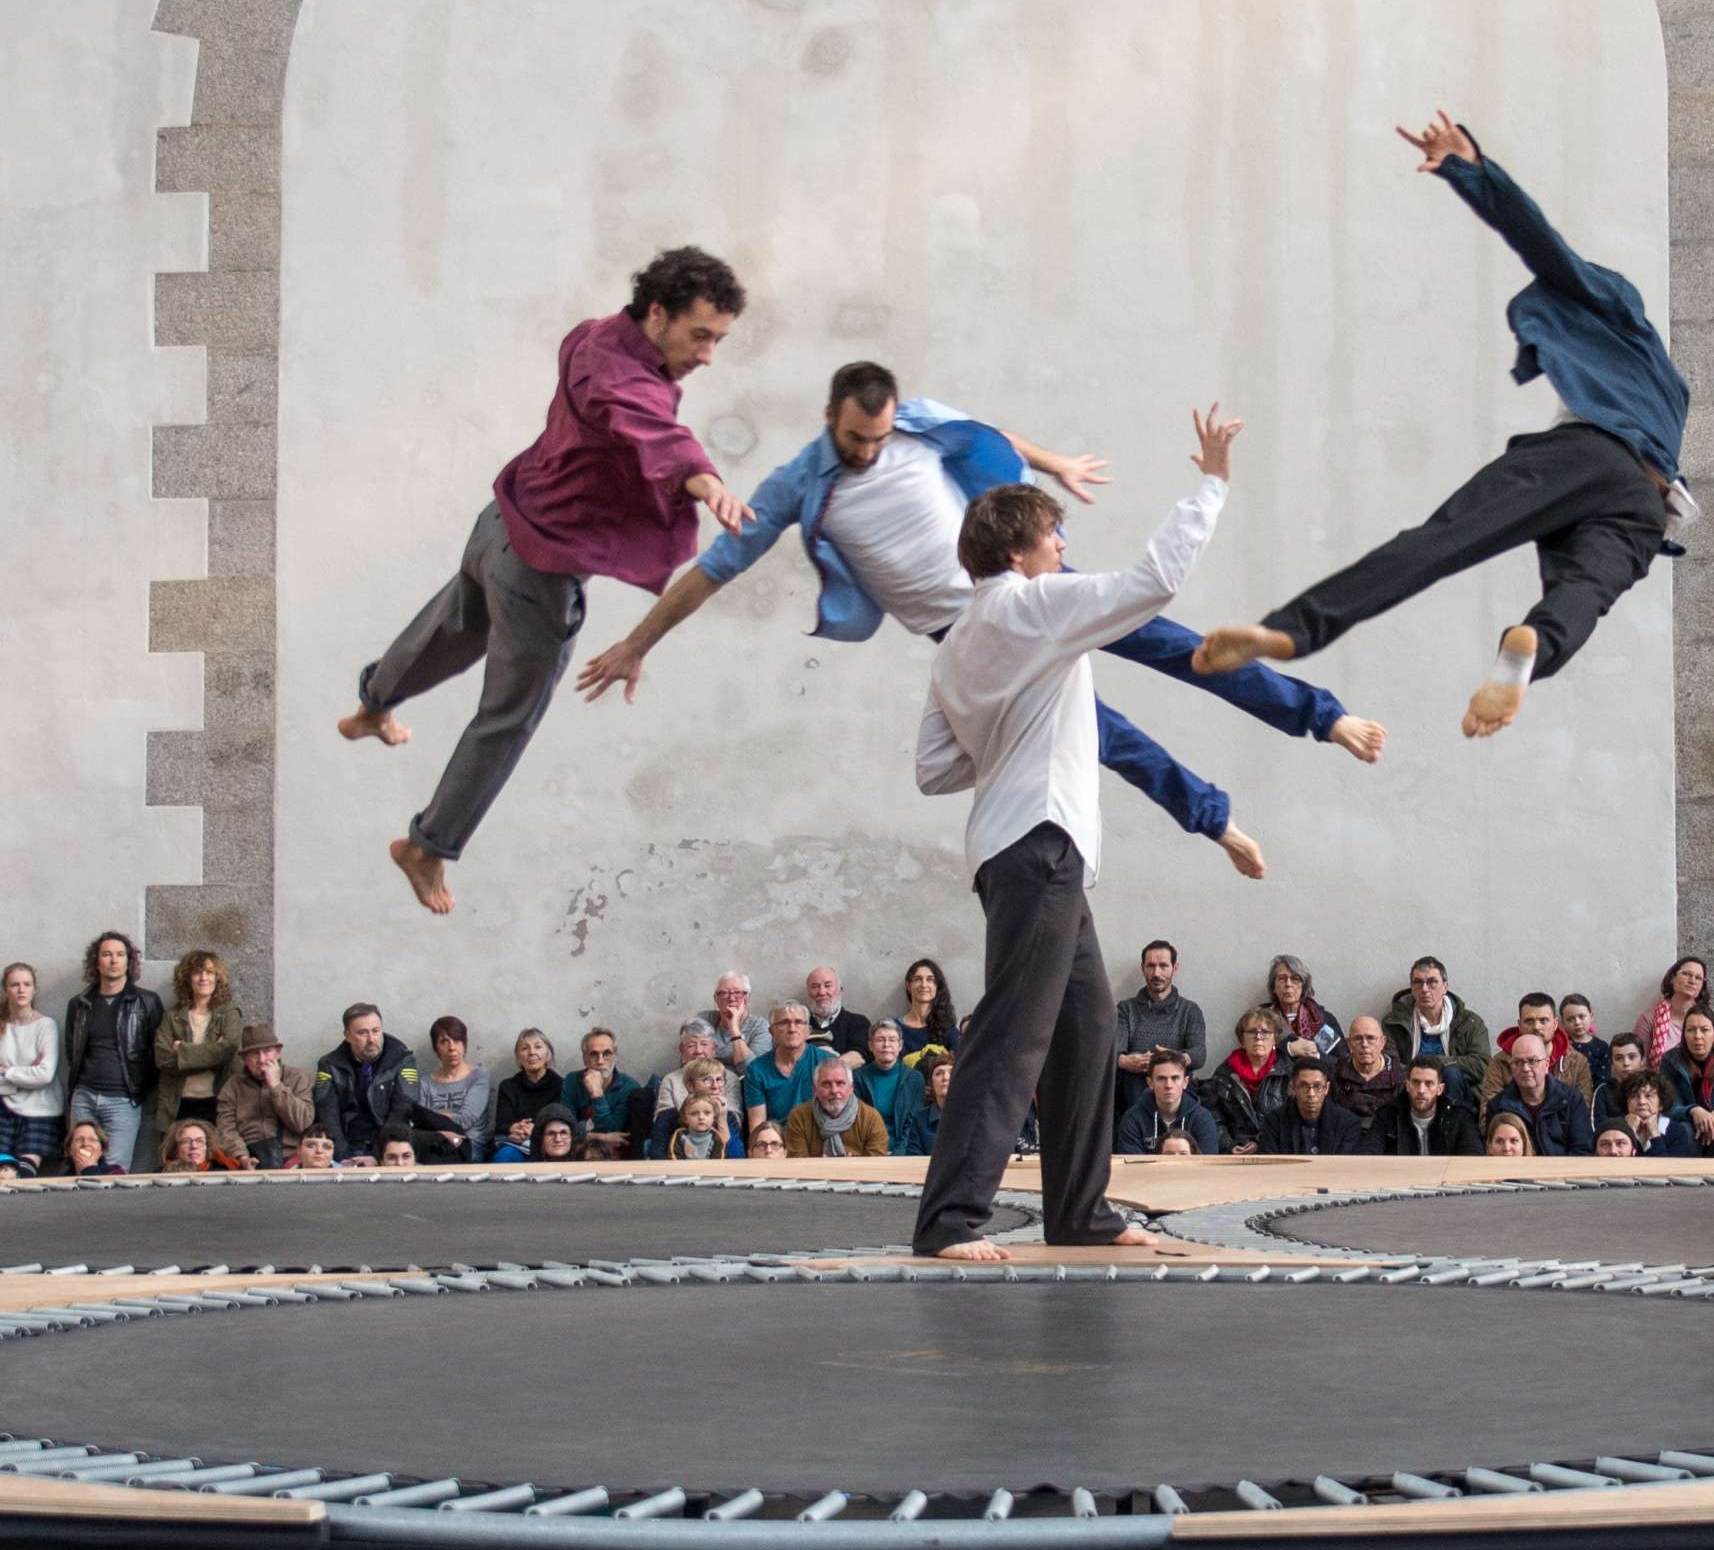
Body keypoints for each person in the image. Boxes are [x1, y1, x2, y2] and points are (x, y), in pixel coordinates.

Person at [579, 363, 1387, 887]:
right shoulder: (800, 484)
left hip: (1033, 591)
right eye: (857, 438)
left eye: (881, 433)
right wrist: (636, 642)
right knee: (1106, 738)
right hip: (975, 643)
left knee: (1189, 649)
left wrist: (1054, 467)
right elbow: (718, 569)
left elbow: (990, 436)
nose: (871, 448)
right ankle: (1220, 824)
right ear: (830, 419)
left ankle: (1325, 716)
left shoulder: (918, 421)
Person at [1197, 111, 1699, 742]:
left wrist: (1470, 170)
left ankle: (1293, 629)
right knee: (1584, 593)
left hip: (1587, 454)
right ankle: (1533, 648)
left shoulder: (1621, 311)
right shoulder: (1671, 391)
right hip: (1648, 507)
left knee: (1441, 541)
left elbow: (1546, 247)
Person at [910, 407, 1245, 1261]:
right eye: (1056, 534)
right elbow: (1151, 584)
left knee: (1090, 1023)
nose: (1064, 546)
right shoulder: (1037, 605)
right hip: (1043, 845)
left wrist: (1012, 726)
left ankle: (1082, 1213)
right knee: (1013, 1032)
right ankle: (951, 1220)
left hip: (1015, 847)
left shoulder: (956, 644)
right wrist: (1210, 483)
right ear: (1022, 552)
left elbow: (936, 769)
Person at [340, 247, 752, 913]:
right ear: (656, 314)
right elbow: (649, 424)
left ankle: (371, 707)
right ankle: (427, 848)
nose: (708, 356)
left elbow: (632, 411)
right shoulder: (626, 379)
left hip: (500, 524)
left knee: (448, 628)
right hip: (540, 570)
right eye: (700, 335)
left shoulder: (593, 336)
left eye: (719, 340)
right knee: (508, 718)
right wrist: (706, 482)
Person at [63, 930, 165, 1173]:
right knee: (80, 1165)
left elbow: (157, 1053)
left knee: (115, 1171)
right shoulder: (79, 1004)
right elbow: (73, 1051)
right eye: (107, 954)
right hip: (84, 1096)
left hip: (123, 1100)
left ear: (128, 961)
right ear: (96, 961)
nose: (113, 960)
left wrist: (138, 1090)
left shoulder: (147, 1001)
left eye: (120, 954)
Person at [153, 949, 243, 1149]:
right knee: (175, 1163)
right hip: (176, 1103)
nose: (204, 978)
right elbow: (162, 1059)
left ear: (217, 978)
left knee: (212, 1161)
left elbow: (227, 1051)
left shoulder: (228, 1013)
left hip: (215, 1102)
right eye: (198, 972)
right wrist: (211, 1054)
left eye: (210, 973)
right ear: (187, 978)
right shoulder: (172, 1016)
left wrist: (182, 1050)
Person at [313, 1003, 421, 1166]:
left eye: (376, 1031)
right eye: (362, 1033)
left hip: (388, 1152)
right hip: (345, 1147)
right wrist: (343, 1158)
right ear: (347, 1036)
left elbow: (402, 1111)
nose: (371, 1039)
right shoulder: (329, 1064)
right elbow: (327, 1114)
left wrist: (379, 1157)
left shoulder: (402, 1059)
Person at [1380, 957, 1491, 1107]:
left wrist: (1435, 1064)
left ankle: (1450, 1127)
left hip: (1456, 1091)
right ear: (1412, 988)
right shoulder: (1394, 1022)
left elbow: (1482, 1064)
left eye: (1432, 982)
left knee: (1452, 1074)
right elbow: (1390, 1064)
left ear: (1445, 986)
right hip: (1411, 1089)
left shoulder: (1469, 1022)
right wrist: (1421, 1077)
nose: (1424, 989)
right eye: (1418, 982)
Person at [1114, 940, 1208, 1118]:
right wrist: (1128, 1062)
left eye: (1163, 966)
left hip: (1176, 1091)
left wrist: (1171, 1059)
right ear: (1143, 968)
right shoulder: (1126, 1009)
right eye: (1151, 966)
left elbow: (1199, 1054)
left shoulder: (1190, 1010)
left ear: (1175, 968)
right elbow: (1113, 1053)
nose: (1156, 973)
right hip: (1133, 1091)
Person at [214, 1024, 316, 1170]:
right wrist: (242, 1157)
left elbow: (302, 1123)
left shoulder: (297, 1077)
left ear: (278, 1052)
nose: (262, 1060)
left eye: (267, 1051)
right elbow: (226, 1130)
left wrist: (276, 1086)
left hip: (292, 1158)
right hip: (249, 1157)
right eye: (254, 1054)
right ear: (244, 1058)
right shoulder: (232, 1087)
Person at [1481, 994, 1594, 1122]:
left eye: (1543, 1020)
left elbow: (1582, 1115)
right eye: (1529, 1021)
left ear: (1555, 1023)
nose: (1536, 1027)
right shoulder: (1500, 1062)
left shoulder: (1578, 1062)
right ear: (1519, 1024)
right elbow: (1488, 1114)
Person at [1199, 1008, 1291, 1154]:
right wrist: (1228, 1145)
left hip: (1274, 1150)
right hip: (1233, 1153)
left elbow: (1290, 1119)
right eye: (1252, 1032)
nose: (1258, 1037)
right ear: (1242, 1039)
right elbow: (1214, 1117)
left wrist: (1260, 1142)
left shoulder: (1289, 1073)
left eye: (1265, 1032)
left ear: (1275, 1039)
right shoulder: (1224, 1073)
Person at [1658, 1007, 1714, 1157]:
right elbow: (1668, 1106)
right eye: (1691, 1030)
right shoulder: (1671, 1060)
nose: (1697, 1036)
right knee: (1685, 1132)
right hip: (1686, 1121)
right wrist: (1693, 1111)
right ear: (1684, 1035)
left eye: (1704, 1030)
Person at [0, 963, 62, 1177]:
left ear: (34, 989)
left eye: (27, 984)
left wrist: (7, 1073)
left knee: (24, 1172)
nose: (21, 989)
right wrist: (27, 1074)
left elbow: (44, 1075)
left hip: (41, 1109)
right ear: (5, 989)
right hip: (4, 1107)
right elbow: (35, 1075)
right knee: (3, 1170)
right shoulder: (2, 1026)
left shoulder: (46, 1026)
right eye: (14, 984)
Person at [1485, 1034, 1594, 1155]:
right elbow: (1494, 1153)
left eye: (1532, 1061)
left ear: (1546, 1064)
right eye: (1518, 1062)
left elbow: (1582, 1151)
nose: (1525, 1068)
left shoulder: (1571, 1100)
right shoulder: (1498, 1106)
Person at [742, 1004, 837, 1135]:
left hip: (819, 1138)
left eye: (798, 1022)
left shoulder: (829, 1063)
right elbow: (758, 1126)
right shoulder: (756, 1069)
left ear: (809, 1030)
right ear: (772, 1031)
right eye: (784, 1023)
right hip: (778, 1142)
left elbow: (838, 1114)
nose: (792, 1029)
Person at [1365, 1057, 1486, 1157]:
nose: (1421, 1090)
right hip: (1400, 1182)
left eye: (1429, 1084)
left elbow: (1472, 1159)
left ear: (1440, 1089)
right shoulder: (1387, 1115)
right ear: (1407, 1085)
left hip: (1445, 1184)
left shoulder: (1460, 1116)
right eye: (1416, 1082)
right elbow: (1368, 1157)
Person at [414, 1015, 492, 1163]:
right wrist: (441, 1131)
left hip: (470, 1144)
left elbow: (466, 1119)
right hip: (436, 1142)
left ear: (464, 1045)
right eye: (444, 1041)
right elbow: (420, 1122)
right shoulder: (425, 1083)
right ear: (436, 1048)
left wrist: (433, 1116)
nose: (452, 1048)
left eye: (457, 1040)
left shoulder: (478, 1077)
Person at [561, 1028, 648, 1156]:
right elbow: (566, 1131)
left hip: (612, 1156)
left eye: (606, 1054)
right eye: (594, 1054)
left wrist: (597, 1094)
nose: (600, 1061)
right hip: (576, 1153)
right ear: (585, 1058)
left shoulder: (629, 1087)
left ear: (615, 1057)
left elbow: (611, 1130)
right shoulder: (572, 1081)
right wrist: (602, 1137)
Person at [1116, 1049, 1221, 1154]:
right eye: (1161, 1078)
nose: (1168, 1085)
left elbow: (1206, 1164)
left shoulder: (1202, 1118)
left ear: (1185, 1082)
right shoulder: (1133, 1119)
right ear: (1150, 1083)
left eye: (1175, 1078)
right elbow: (1132, 1167)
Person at [783, 1057, 890, 1157]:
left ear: (851, 1088)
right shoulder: (799, 1117)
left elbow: (876, 1167)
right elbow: (798, 1166)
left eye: (840, 1083)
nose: (834, 1091)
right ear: (815, 1089)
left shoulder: (871, 1118)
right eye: (826, 1084)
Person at [1262, 955, 1344, 1084]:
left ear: (1304, 985)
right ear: (1273, 986)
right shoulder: (1262, 1019)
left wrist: (1315, 1056)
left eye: (1295, 979)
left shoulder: (1321, 1021)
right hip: (1274, 1091)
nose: (1288, 984)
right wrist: (1289, 1049)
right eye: (1282, 978)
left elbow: (1342, 1062)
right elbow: (1252, 1056)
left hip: (1316, 1092)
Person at [1255, 1058, 1364, 1155]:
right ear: (1293, 1087)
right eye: (1303, 1086)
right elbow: (1270, 1164)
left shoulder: (1347, 1123)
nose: (1311, 1094)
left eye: (1317, 1086)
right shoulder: (1275, 1121)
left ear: (1326, 1088)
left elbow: (1345, 1167)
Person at [490, 1029, 565, 1162]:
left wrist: (536, 1131)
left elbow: (564, 1123)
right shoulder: (508, 1086)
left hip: (549, 1144)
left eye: (538, 1047)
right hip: (517, 1145)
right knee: (504, 1157)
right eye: (525, 1048)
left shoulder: (561, 1085)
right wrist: (514, 1127)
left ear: (548, 1055)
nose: (532, 1053)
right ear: (519, 1058)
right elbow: (501, 1125)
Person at [647, 1058, 742, 1158]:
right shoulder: (668, 1116)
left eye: (719, 1080)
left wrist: (722, 1120)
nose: (715, 1086)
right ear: (690, 1086)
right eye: (707, 1080)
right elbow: (657, 1156)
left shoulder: (728, 1116)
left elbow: (737, 1158)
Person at [652, 1019, 742, 1123]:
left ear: (714, 1048)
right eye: (691, 1045)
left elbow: (736, 1120)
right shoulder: (671, 1080)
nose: (698, 1051)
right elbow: (663, 1122)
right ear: (681, 1049)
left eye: (704, 1044)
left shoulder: (729, 1078)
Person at [853, 1022, 926, 1148]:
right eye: (880, 1040)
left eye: (892, 1040)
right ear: (870, 1045)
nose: (886, 1045)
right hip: (867, 1150)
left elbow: (913, 1123)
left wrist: (899, 1153)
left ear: (900, 1045)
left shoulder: (915, 1079)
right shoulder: (858, 1078)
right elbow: (857, 1122)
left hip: (905, 1151)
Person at [1634, 956, 1711, 1070]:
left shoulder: (1709, 1020)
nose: (1692, 981)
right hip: (1658, 1084)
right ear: (1672, 978)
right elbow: (1639, 1064)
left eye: (1698, 978)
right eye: (1686, 974)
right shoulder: (1649, 1019)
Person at [1331, 1017, 1406, 1129]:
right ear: (1349, 1044)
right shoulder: (1335, 1073)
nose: (1365, 1044)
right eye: (1358, 1039)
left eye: (1371, 1038)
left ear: (1383, 1042)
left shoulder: (1401, 1076)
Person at [897, 959, 962, 1066]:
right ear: (908, 986)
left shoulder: (947, 1028)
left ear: (937, 986)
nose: (923, 984)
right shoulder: (894, 1028)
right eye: (917, 979)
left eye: (930, 979)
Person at [803, 969, 872, 1064]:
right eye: (815, 987)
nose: (822, 992)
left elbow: (858, 1058)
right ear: (808, 993)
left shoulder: (859, 1023)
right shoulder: (799, 1024)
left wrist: (823, 1072)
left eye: (828, 985)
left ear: (841, 989)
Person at [706, 976, 771, 1076]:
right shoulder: (705, 1019)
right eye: (724, 993)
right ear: (716, 999)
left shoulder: (760, 1026)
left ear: (747, 997)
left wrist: (734, 1027)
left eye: (738, 993)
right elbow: (691, 1062)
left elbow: (752, 1071)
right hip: (704, 1083)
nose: (731, 998)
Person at [1618, 1072, 1692, 1156]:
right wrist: (1630, 1132)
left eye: (1648, 1096)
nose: (1641, 1102)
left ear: (1661, 1103)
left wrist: (1655, 1134)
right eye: (1634, 1096)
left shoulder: (1677, 1132)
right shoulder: (1615, 1129)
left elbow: (1668, 1168)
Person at [1592, 1033, 1650, 1130]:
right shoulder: (1603, 1091)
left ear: (1643, 1060)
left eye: (1632, 1057)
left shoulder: (1652, 1089)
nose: (1626, 1063)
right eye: (1619, 1058)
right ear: (1611, 1062)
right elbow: (1597, 1127)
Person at [898, 1055, 953, 1155]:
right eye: (938, 1073)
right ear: (930, 1083)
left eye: (951, 1072)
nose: (945, 1078)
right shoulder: (919, 1119)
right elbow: (914, 1158)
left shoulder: (972, 1117)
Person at [1558, 996, 1611, 1094]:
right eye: (1570, 1019)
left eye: (1582, 1017)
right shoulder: (1562, 1047)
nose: (1577, 1022)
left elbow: (1604, 1079)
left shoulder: (1601, 1047)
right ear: (1563, 1023)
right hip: (1568, 1096)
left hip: (1597, 1096)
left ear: (1591, 1016)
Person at [668, 1090, 739, 1161]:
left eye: (707, 1113)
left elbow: (719, 1159)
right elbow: (674, 1156)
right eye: (694, 1113)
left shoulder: (716, 1137)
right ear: (685, 1118)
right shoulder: (680, 1135)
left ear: (714, 1117)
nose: (701, 1117)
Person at [157, 1117, 237, 1173]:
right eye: (186, 1141)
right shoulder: (160, 1175)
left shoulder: (221, 1174)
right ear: (175, 1149)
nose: (194, 1146)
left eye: (200, 1141)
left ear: (207, 1147)